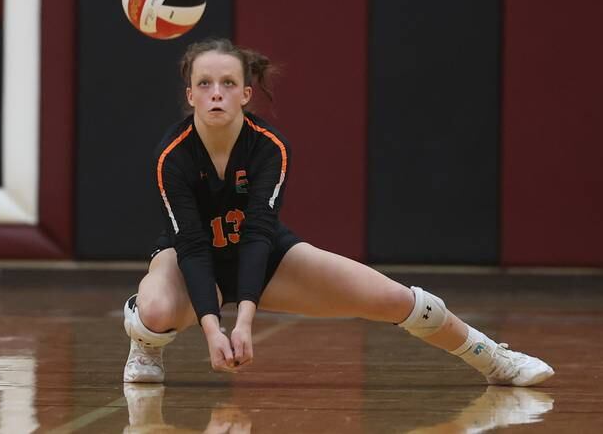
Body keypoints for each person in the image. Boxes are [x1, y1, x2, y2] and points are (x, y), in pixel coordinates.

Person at [122, 38, 553, 387]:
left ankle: (493, 358)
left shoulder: (270, 147)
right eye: (206, 83)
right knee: (156, 311)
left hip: (263, 255)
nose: (217, 93)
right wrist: (215, 330)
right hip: (190, 258)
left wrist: (245, 323)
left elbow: (259, 233)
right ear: (190, 94)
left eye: (229, 83)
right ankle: (145, 343)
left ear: (247, 94)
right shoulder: (172, 156)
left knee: (392, 297)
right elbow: (193, 246)